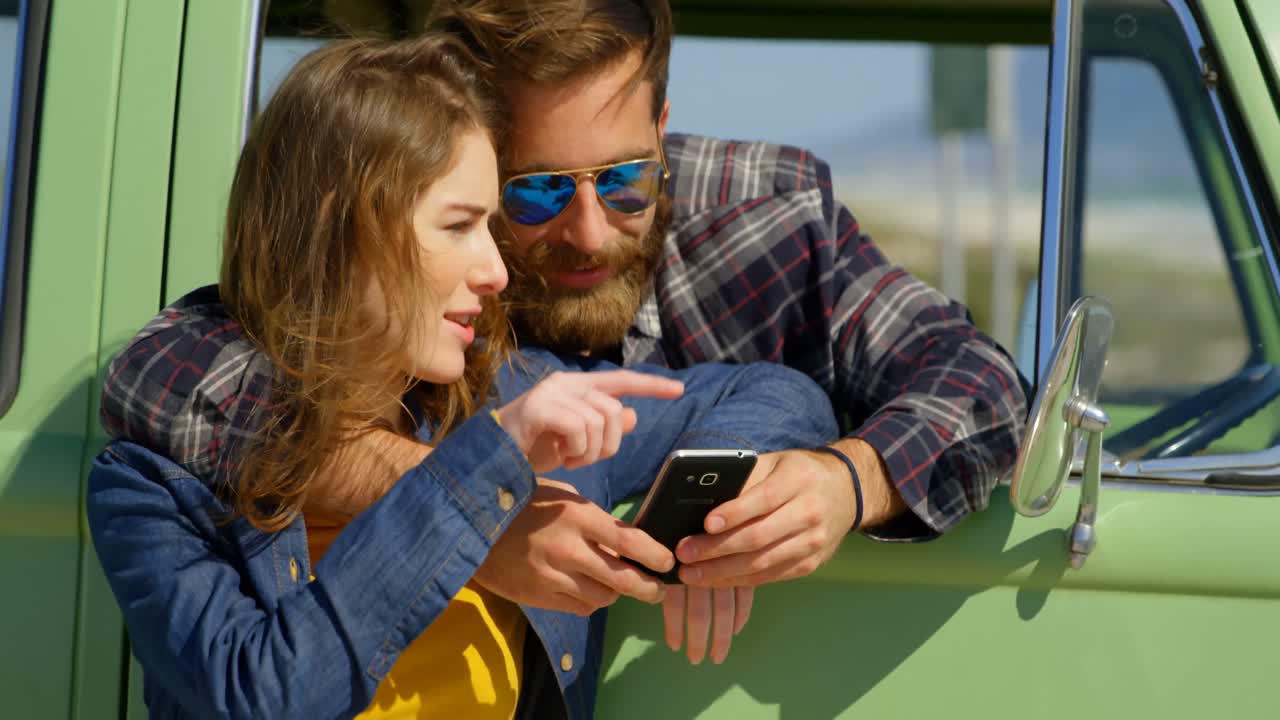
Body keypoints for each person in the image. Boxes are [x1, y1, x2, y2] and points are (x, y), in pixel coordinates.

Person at [87, 35, 838, 720]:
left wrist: (720, 523)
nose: (497, 271)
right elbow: (264, 696)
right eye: (457, 226)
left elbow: (775, 391)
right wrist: (484, 484)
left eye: (493, 225)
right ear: (335, 232)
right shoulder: (156, 483)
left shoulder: (516, 397)